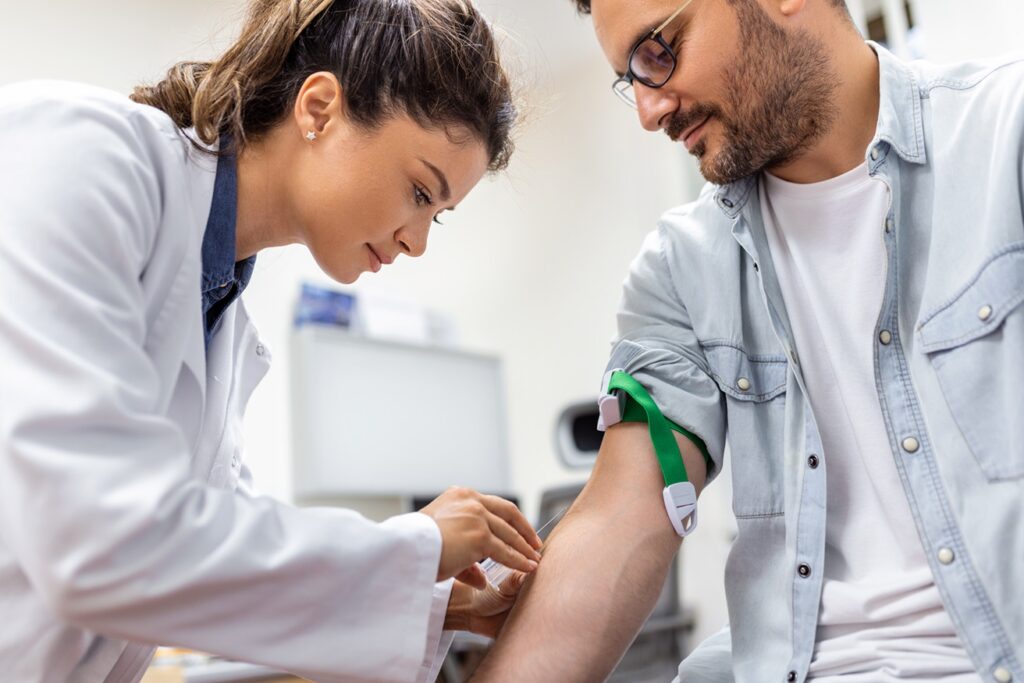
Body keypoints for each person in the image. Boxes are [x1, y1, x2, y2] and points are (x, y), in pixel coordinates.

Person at [470, 0, 1024, 682]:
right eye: (629, 79)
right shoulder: (679, 270)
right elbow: (619, 517)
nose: (648, 111)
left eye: (658, 51)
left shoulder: (1005, 136)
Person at [0, 1, 543, 681]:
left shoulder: (219, 310)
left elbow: (208, 556)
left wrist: (432, 600)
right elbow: (100, 543)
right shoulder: (80, 155)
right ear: (319, 108)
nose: (417, 240)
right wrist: (415, 546)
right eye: (416, 190)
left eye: (439, 215)